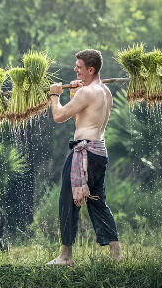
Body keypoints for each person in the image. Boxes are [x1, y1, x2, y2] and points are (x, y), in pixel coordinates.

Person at [46, 49, 123, 265]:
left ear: (91, 69)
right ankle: (116, 253)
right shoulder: (105, 91)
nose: (75, 70)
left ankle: (65, 256)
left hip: (84, 153)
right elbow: (84, 118)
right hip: (99, 152)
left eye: (79, 67)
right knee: (98, 201)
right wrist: (73, 94)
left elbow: (59, 116)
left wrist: (54, 95)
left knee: (67, 201)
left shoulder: (87, 93)